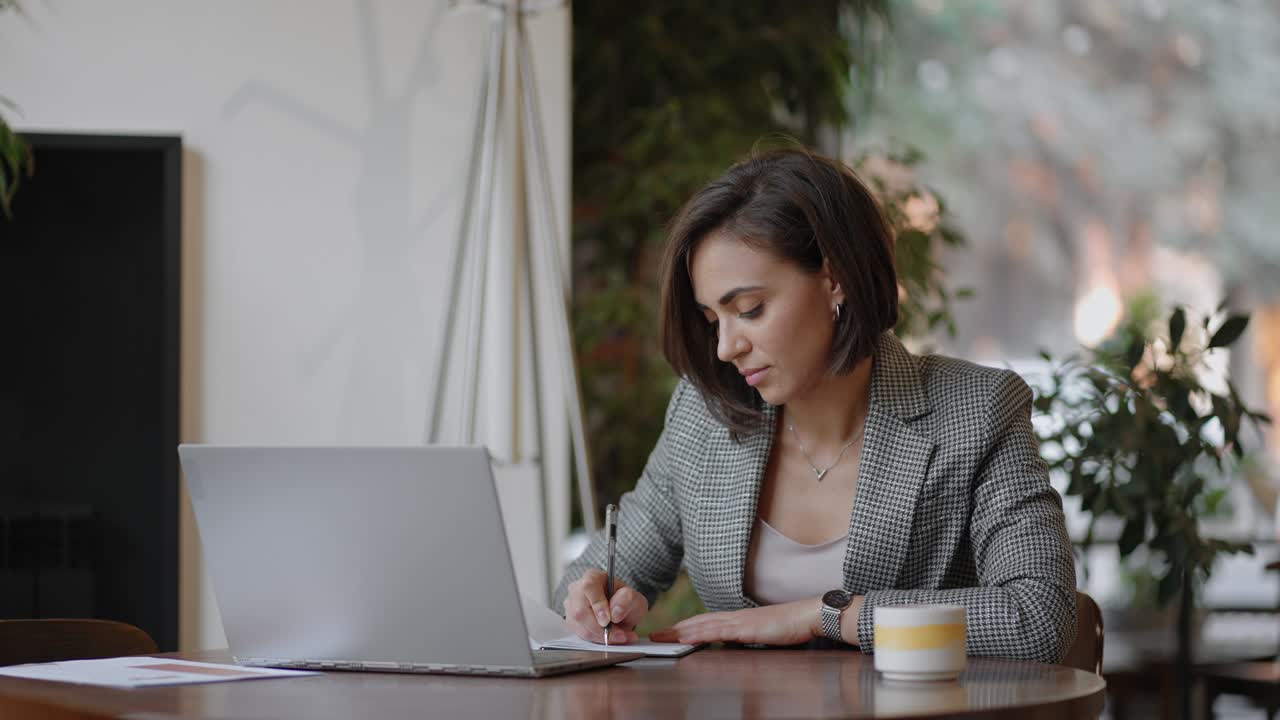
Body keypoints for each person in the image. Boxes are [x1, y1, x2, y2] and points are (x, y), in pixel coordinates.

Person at [552, 148, 1077, 663]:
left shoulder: (977, 410)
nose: (724, 347)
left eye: (750, 309)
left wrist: (823, 615)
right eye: (714, 320)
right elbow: (576, 594)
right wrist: (594, 602)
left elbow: (1036, 616)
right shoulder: (703, 416)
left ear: (836, 279)